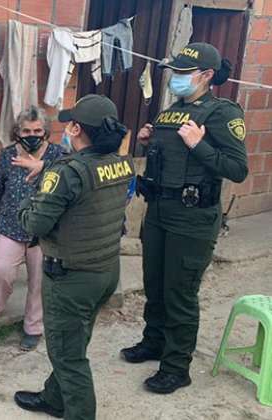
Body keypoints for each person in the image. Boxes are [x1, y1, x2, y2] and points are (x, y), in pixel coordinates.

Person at [120, 42, 248, 394]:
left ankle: (177, 367)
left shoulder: (222, 113)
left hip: (193, 218)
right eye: (174, 73)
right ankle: (154, 341)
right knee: (155, 284)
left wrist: (199, 145)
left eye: (182, 73)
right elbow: (171, 159)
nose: (175, 79)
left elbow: (237, 169)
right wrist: (148, 141)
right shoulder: (171, 111)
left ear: (206, 76)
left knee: (180, 293)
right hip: (160, 211)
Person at [14, 95, 134, 419]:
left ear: (77, 129)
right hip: (105, 270)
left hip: (72, 277)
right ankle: (55, 398)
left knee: (68, 356)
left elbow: (35, 222)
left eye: (70, 123)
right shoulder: (122, 161)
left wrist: (30, 197)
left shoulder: (67, 171)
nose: (66, 128)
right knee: (73, 343)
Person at [0, 106, 65, 351]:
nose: (32, 135)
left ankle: (34, 326)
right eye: (26, 130)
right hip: (11, 224)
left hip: (45, 230)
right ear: (18, 132)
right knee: (0, 270)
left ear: (46, 131)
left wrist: (44, 168)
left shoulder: (59, 156)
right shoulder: (8, 155)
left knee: (39, 281)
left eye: (37, 130)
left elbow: (69, 185)